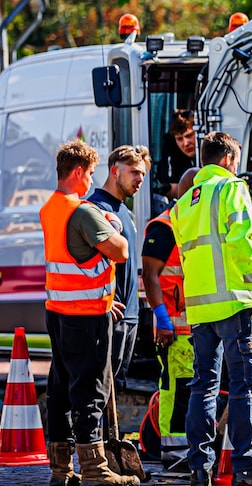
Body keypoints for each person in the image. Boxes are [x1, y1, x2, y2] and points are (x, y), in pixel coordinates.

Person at [171, 133, 252, 486]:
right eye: (236, 161)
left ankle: (199, 468)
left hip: (199, 308)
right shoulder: (231, 188)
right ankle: (248, 468)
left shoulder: (183, 203)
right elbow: (241, 241)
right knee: (242, 387)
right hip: (234, 303)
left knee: (203, 386)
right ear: (227, 160)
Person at [40, 140, 139, 486]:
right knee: (90, 390)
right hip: (87, 316)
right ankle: (95, 469)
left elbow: (73, 259)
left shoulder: (51, 207)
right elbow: (121, 250)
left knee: (61, 388)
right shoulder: (83, 211)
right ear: (78, 172)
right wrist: (114, 225)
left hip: (58, 310)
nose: (91, 182)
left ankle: (60, 469)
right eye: (91, 174)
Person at [142, 167, 199, 476]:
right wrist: (162, 319)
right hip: (175, 329)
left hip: (194, 325)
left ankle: (186, 449)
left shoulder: (191, 223)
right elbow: (150, 276)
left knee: (188, 390)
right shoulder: (165, 226)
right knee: (177, 390)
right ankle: (175, 454)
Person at [88, 144, 151, 391]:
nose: (140, 179)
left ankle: (111, 432)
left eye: (143, 174)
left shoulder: (125, 211)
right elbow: (84, 263)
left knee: (115, 386)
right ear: (115, 171)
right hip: (108, 316)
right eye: (134, 172)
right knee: (99, 389)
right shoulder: (96, 208)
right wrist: (100, 298)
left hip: (129, 315)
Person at [157, 110, 198, 199]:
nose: (186, 143)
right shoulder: (171, 148)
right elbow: (171, 189)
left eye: (189, 135)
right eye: (179, 139)